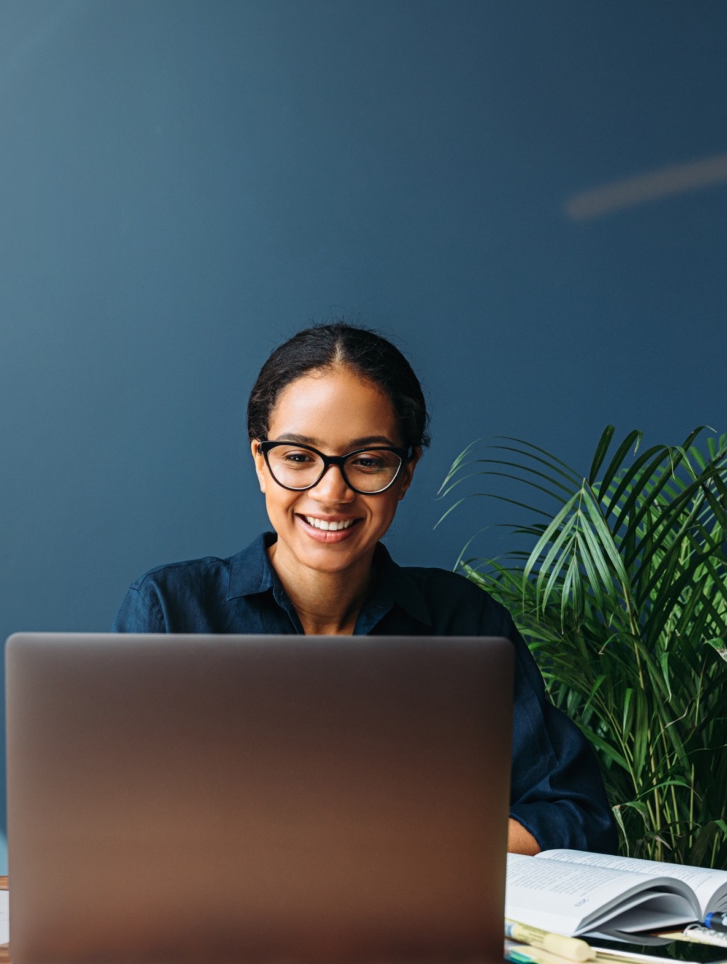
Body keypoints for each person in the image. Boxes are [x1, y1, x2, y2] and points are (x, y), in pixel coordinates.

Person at [113, 324, 615, 854]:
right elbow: (113, 823)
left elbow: (575, 816)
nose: (331, 492)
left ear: (407, 471)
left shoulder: (465, 626)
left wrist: (399, 847)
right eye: (298, 457)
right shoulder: (171, 611)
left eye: (368, 461)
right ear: (261, 461)